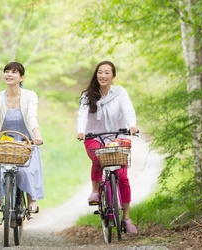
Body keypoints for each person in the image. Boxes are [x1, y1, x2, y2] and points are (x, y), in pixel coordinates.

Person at [0, 61, 44, 225]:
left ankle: (32, 200)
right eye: (7, 71)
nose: (9, 74)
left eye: (14, 72)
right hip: (3, 144)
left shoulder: (30, 96)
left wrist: (37, 135)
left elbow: (31, 116)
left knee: (26, 171)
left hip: (25, 142)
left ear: (22, 77)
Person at [76, 60, 139, 234]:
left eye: (107, 72)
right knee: (98, 158)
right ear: (96, 74)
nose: (103, 76)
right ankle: (96, 191)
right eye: (100, 72)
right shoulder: (89, 96)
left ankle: (126, 218)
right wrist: (81, 130)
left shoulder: (120, 93)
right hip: (93, 137)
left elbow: (128, 111)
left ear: (113, 75)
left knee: (122, 176)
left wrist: (132, 125)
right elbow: (82, 115)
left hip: (117, 136)